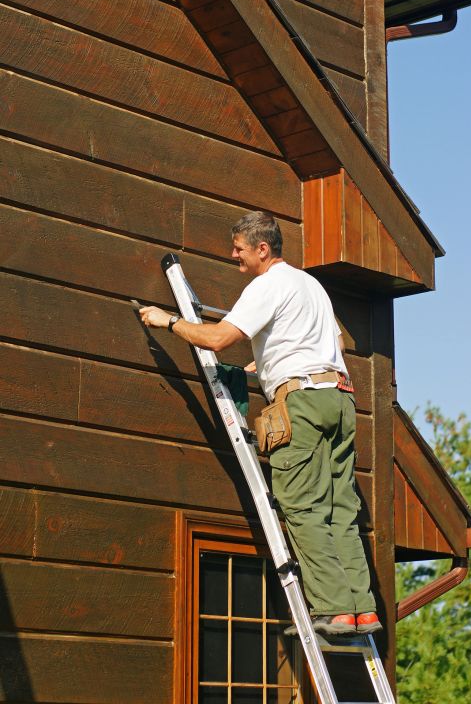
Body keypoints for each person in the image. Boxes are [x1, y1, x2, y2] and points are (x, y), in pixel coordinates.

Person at [140, 211, 381, 636]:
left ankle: (336, 611)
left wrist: (170, 321)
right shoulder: (311, 285)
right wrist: (271, 362)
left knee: (301, 505)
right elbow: (334, 342)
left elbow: (216, 339)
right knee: (340, 510)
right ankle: (363, 610)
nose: (234, 255)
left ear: (262, 249)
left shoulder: (267, 284)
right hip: (339, 400)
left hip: (303, 404)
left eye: (239, 249)